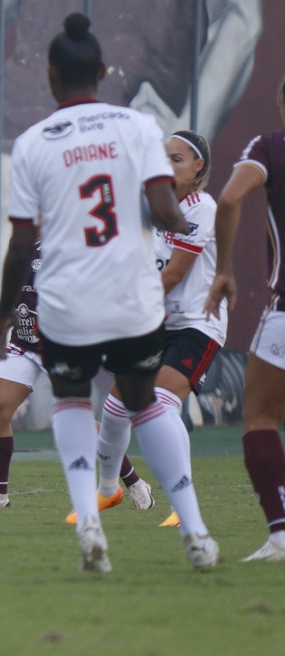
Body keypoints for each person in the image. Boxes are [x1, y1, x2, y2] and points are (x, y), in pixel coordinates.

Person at [0, 0, 263, 424]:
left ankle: (161, 415)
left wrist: (182, 128)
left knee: (108, 398)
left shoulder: (127, 137)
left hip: (94, 197)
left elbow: (241, 17)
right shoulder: (88, 137)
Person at [0, 14, 217, 572]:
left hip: (66, 300)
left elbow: (22, 246)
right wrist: (187, 229)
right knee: (143, 405)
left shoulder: (30, 142)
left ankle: (89, 525)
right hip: (132, 297)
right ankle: (194, 529)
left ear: (50, 76)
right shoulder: (139, 128)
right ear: (102, 72)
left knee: (72, 403)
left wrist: (2, 313)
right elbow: (167, 210)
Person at [75, 130, 226, 528]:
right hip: (153, 322)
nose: (168, 165)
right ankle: (109, 489)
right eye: (164, 158)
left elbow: (174, 273)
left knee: (161, 400)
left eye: (178, 159)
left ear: (199, 167)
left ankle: (183, 501)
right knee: (113, 411)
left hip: (196, 323)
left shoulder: (200, 207)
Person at [0, 239, 155, 512]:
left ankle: (134, 481)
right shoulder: (23, 242)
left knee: (79, 422)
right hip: (23, 344)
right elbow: (12, 297)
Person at [204, 76, 285, 562]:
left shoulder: (270, 146)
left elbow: (231, 198)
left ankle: (281, 534)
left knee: (259, 417)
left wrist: (224, 269)